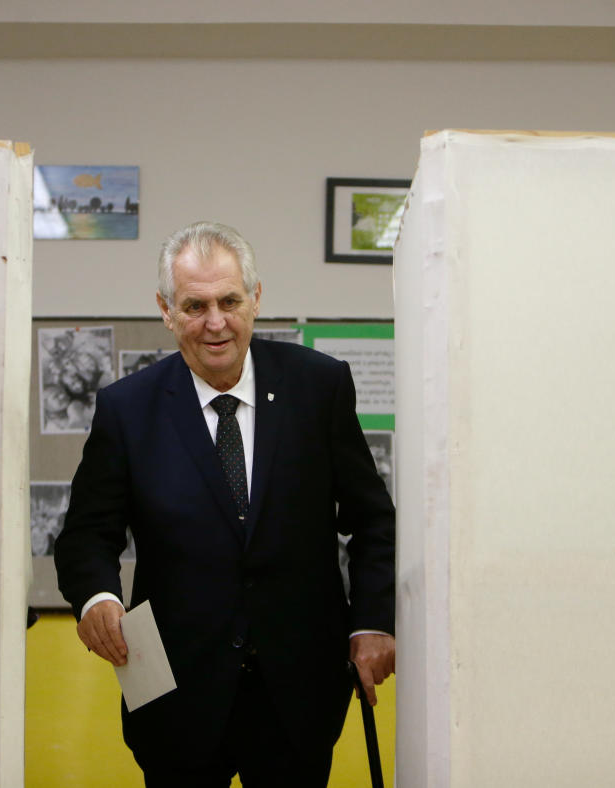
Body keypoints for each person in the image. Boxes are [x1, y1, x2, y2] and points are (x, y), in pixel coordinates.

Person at [54, 221, 395, 786]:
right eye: (195, 306)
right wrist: (96, 598)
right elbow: (87, 533)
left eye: (229, 301)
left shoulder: (319, 387)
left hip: (299, 691)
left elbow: (371, 519)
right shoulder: (127, 410)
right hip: (174, 696)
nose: (215, 322)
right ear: (166, 310)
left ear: (255, 299)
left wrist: (373, 621)